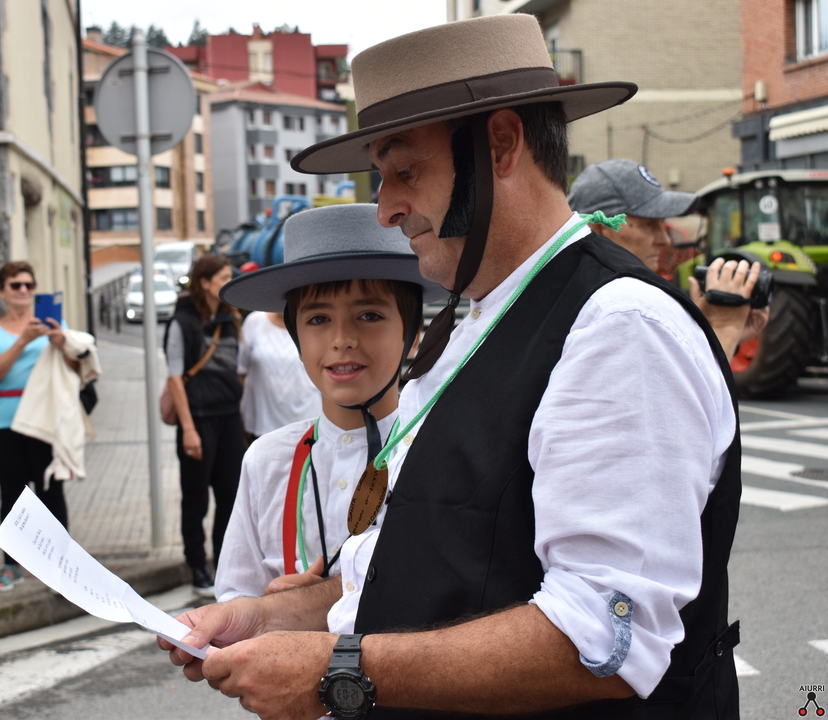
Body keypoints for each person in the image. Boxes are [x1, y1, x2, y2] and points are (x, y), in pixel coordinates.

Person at [160, 15, 741, 720]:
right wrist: (275, 617)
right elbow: (441, 559)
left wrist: (335, 669)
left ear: (501, 144)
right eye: (380, 178)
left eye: (404, 171)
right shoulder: (476, 323)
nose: (385, 209)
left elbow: (604, 637)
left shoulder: (619, 328)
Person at [215, 204, 444, 601]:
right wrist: (268, 609)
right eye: (318, 319)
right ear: (296, 339)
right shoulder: (266, 461)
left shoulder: (443, 455)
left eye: (369, 315)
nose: (342, 340)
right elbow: (234, 596)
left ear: (413, 336)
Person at [568, 158, 770, 356]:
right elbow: (682, 380)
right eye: (648, 225)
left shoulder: (582, 296)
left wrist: (704, 332)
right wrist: (724, 329)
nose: (665, 240)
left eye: (662, 224)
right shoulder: (619, 310)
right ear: (600, 229)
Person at [0, 261, 70, 592]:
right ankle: (11, 565)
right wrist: (23, 340)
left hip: (44, 419)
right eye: (15, 285)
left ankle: (61, 566)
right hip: (4, 422)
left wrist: (60, 342)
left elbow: (76, 366)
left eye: (29, 285)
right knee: (13, 495)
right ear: (2, 291)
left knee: (51, 492)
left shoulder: (53, 325)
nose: (23, 291)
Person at [164, 255, 244, 596]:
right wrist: (189, 429)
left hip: (230, 418)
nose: (228, 282)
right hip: (197, 419)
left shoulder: (232, 318)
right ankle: (196, 564)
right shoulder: (181, 323)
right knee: (196, 497)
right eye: (223, 277)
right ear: (205, 283)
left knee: (230, 495)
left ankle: (222, 561)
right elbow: (175, 378)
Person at [237, 309, 320, 442]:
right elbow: (241, 371)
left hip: (307, 421)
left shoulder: (315, 322)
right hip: (262, 423)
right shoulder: (254, 321)